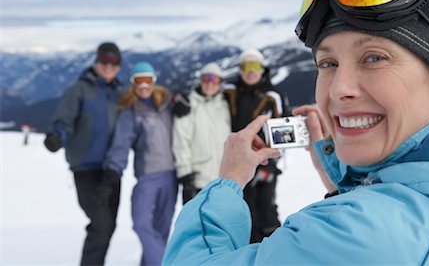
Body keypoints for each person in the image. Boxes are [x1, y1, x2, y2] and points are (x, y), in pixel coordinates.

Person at [162, 0, 429, 264]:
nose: (338, 90)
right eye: (327, 63)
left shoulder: (345, 235)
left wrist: (229, 180)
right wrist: (343, 183)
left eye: (374, 58)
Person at [44, 42, 123, 265]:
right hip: (86, 168)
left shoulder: (119, 93)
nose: (109, 66)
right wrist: (57, 136)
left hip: (112, 169)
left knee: (108, 226)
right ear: (96, 62)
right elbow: (64, 121)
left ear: (119, 66)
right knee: (100, 224)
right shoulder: (79, 90)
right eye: (104, 61)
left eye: (114, 62)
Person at [103, 61, 177, 266]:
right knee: (141, 222)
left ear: (154, 81)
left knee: (163, 228)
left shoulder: (167, 105)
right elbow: (121, 141)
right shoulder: (130, 112)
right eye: (139, 81)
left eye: (148, 81)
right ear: (132, 84)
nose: (144, 86)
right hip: (148, 176)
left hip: (172, 174)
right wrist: (114, 167)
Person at [223, 48, 290, 242]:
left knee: (266, 210)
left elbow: (284, 129)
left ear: (262, 69)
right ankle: (248, 254)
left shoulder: (273, 95)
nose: (250, 71)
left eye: (255, 66)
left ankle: (275, 253)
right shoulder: (230, 92)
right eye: (246, 66)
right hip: (237, 163)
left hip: (264, 164)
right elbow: (205, 98)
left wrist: (270, 162)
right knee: (243, 212)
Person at [172, 62, 231, 204]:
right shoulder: (188, 105)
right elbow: (181, 140)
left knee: (220, 223)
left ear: (220, 83)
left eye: (214, 80)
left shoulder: (224, 105)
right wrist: (185, 173)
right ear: (200, 80)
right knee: (196, 223)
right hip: (197, 179)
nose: (210, 84)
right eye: (206, 79)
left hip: (222, 179)